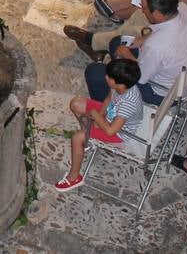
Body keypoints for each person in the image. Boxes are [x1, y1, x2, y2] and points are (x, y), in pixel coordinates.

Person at [83, 0, 187, 106]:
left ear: (158, 14)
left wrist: (126, 54)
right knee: (118, 42)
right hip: (185, 75)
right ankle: (116, 77)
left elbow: (140, 77)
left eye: (145, 8)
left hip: (161, 92)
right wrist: (143, 39)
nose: (142, 10)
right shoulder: (186, 10)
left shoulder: (156, 46)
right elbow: (170, 35)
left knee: (94, 72)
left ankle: (108, 108)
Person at [54, 58, 143, 193]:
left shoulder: (128, 103)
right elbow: (108, 98)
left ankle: (74, 177)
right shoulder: (120, 87)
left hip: (120, 133)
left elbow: (110, 131)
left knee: (77, 138)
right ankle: (89, 139)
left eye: (109, 77)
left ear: (119, 83)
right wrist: (100, 115)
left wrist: (96, 116)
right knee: (76, 103)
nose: (106, 77)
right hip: (109, 116)